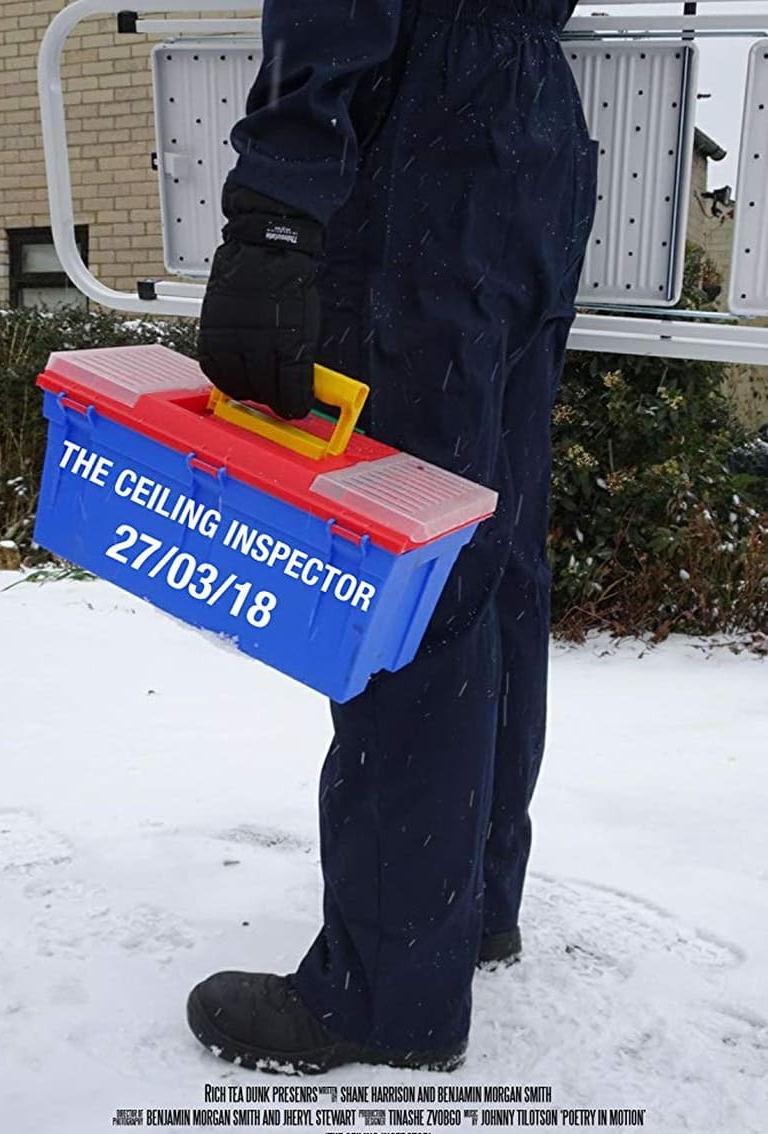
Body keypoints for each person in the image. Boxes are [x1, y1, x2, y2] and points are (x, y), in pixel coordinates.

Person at [188, 0, 597, 1074]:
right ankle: (467, 902)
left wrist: (276, 207)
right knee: (491, 552)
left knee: (408, 567)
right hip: (530, 127)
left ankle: (387, 989)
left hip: (424, 131)